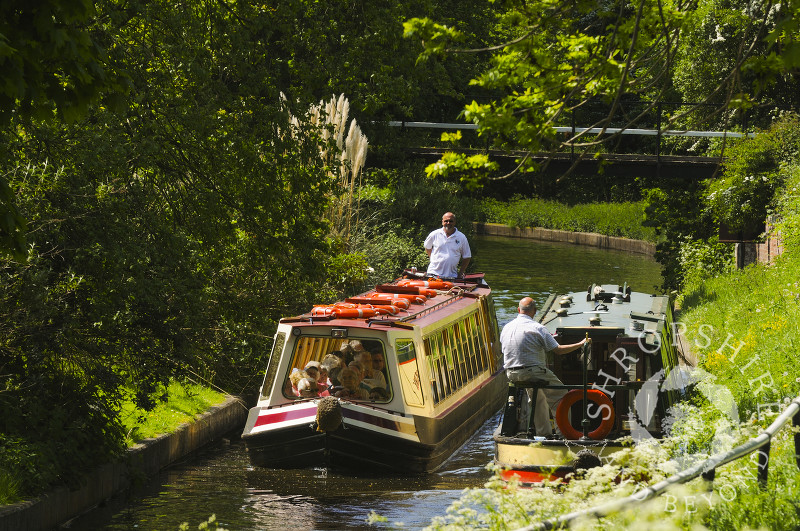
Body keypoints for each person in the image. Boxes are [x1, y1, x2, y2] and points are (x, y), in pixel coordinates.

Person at [500, 296, 590, 436]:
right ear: (534, 311)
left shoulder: (506, 327)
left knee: (537, 398)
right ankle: (564, 434)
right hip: (532, 371)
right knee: (562, 395)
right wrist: (580, 344)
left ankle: (544, 434)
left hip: (511, 373)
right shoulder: (538, 328)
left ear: (518, 310)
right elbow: (558, 350)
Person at [424, 212, 471, 278]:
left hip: (451, 275)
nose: (448, 223)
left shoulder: (461, 237)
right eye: (446, 221)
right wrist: (432, 258)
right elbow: (427, 247)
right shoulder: (434, 234)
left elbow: (467, 256)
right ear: (442, 222)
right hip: (433, 273)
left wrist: (460, 272)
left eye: (451, 221)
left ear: (455, 222)